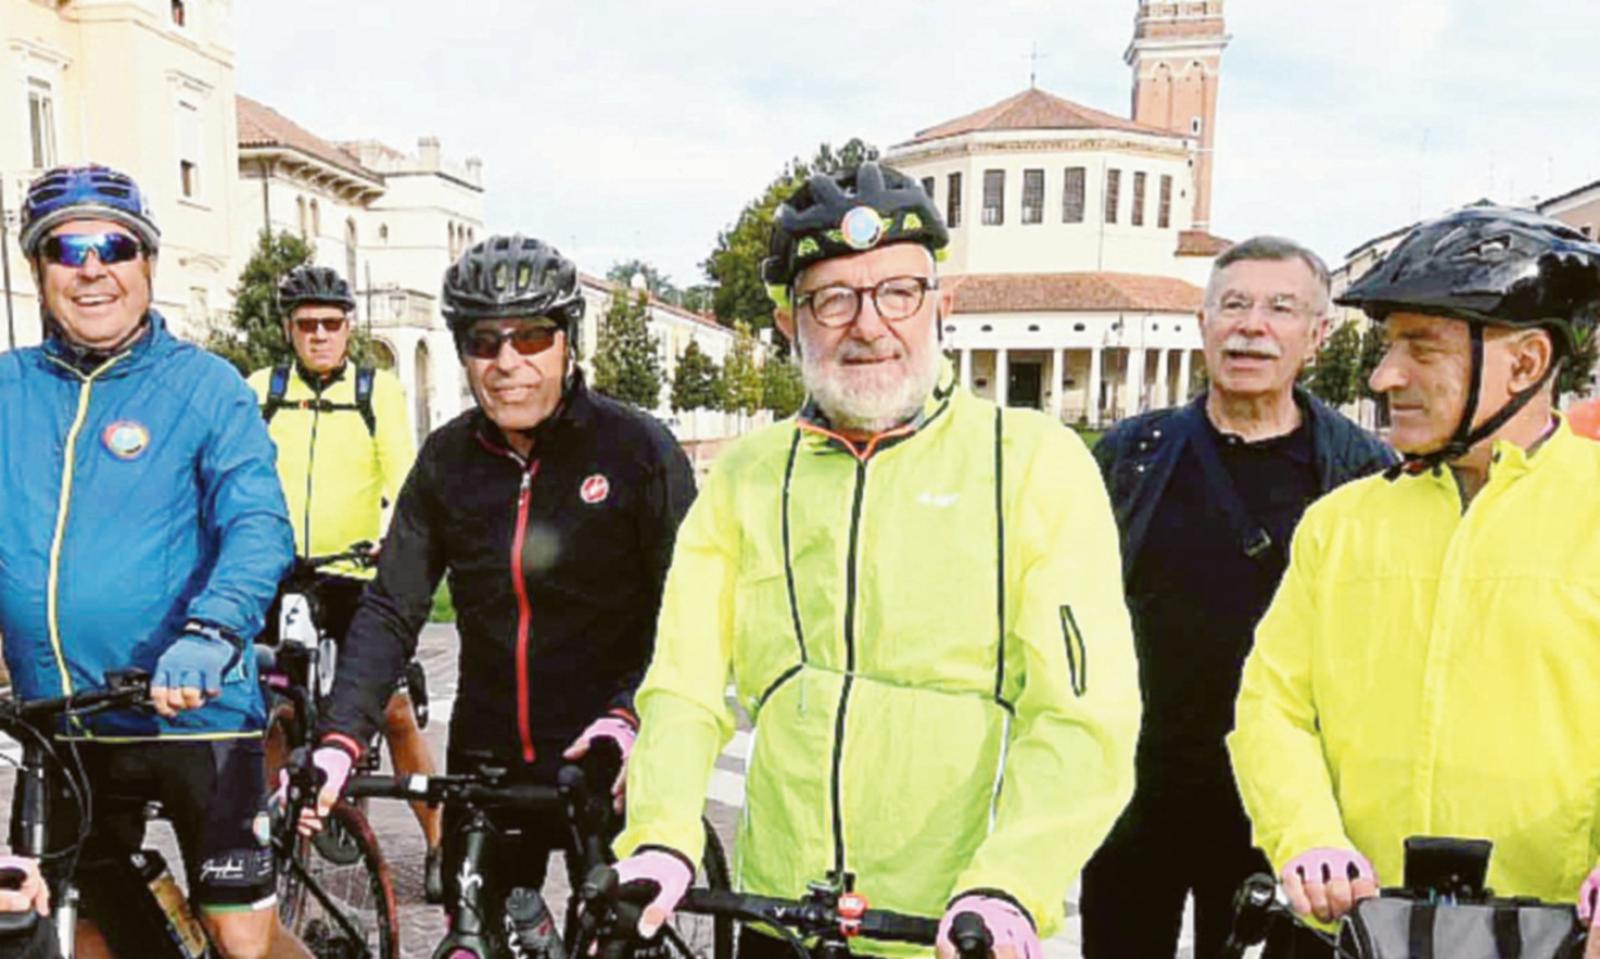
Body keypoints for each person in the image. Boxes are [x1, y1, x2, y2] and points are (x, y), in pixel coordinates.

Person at [606, 162, 1140, 959]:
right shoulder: (748, 475)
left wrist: (1010, 881)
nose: (868, 325)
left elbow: (1083, 713)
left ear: (942, 306)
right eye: (833, 299)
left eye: (898, 292)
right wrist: (661, 833)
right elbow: (684, 683)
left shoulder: (1034, 462)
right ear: (790, 323)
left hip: (954, 926)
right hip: (782, 914)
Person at [1227, 207, 1600, 953]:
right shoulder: (1339, 522)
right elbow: (1272, 705)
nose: (1383, 375)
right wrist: (1306, 833)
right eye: (1389, 344)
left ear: (1526, 363)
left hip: (1555, 935)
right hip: (1352, 930)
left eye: (1421, 347)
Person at [293, 235, 696, 916]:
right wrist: (339, 738)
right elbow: (391, 607)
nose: (508, 362)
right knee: (474, 930)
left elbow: (690, 613)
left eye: (532, 336)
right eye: (484, 342)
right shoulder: (447, 460)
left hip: (611, 748)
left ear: (567, 341)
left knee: (617, 931)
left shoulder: (637, 450)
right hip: (490, 758)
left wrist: (632, 713)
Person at [0, 164, 302, 958]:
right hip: (60, 721)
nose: (92, 268)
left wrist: (211, 629)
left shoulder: (205, 387)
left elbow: (259, 524)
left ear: (148, 263)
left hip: (192, 713)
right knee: (61, 926)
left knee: (241, 936)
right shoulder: (7, 391)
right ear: (37, 269)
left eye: (115, 247)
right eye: (67, 250)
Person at [1082, 237, 1392, 958]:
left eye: (1280, 308)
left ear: (1317, 335)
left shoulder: (1361, 472)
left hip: (1277, 807)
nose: (1252, 326)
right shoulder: (1132, 454)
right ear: (1204, 324)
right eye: (1234, 305)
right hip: (1137, 793)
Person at [246, 264, 442, 869]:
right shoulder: (262, 389)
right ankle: (269, 835)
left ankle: (440, 843)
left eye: (331, 324)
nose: (320, 335)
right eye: (307, 324)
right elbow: (237, 472)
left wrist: (392, 539)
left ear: (348, 328)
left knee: (393, 709)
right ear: (289, 328)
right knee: (269, 712)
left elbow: (404, 477)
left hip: (353, 573)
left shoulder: (374, 391)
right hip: (278, 573)